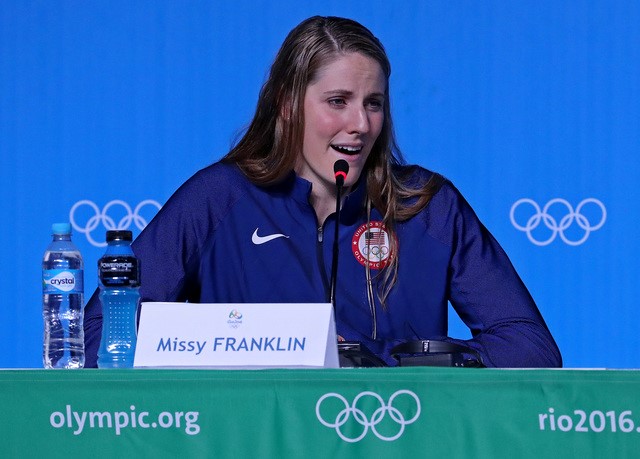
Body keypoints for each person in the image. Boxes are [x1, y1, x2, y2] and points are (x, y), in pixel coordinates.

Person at [83, 16, 562, 368]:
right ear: (288, 105)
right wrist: (235, 347)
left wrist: (390, 361)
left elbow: (531, 347)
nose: (360, 125)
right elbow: (97, 336)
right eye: (338, 102)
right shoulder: (219, 198)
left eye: (373, 104)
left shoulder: (427, 205)